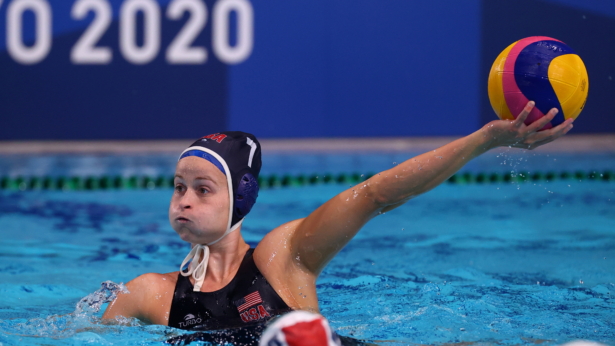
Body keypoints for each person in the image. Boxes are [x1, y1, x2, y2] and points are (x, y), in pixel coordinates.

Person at [102, 102, 572, 337]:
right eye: (179, 186)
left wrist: (486, 139)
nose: (183, 200)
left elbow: (377, 195)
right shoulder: (151, 293)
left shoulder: (282, 258)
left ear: (242, 197)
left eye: (203, 189)